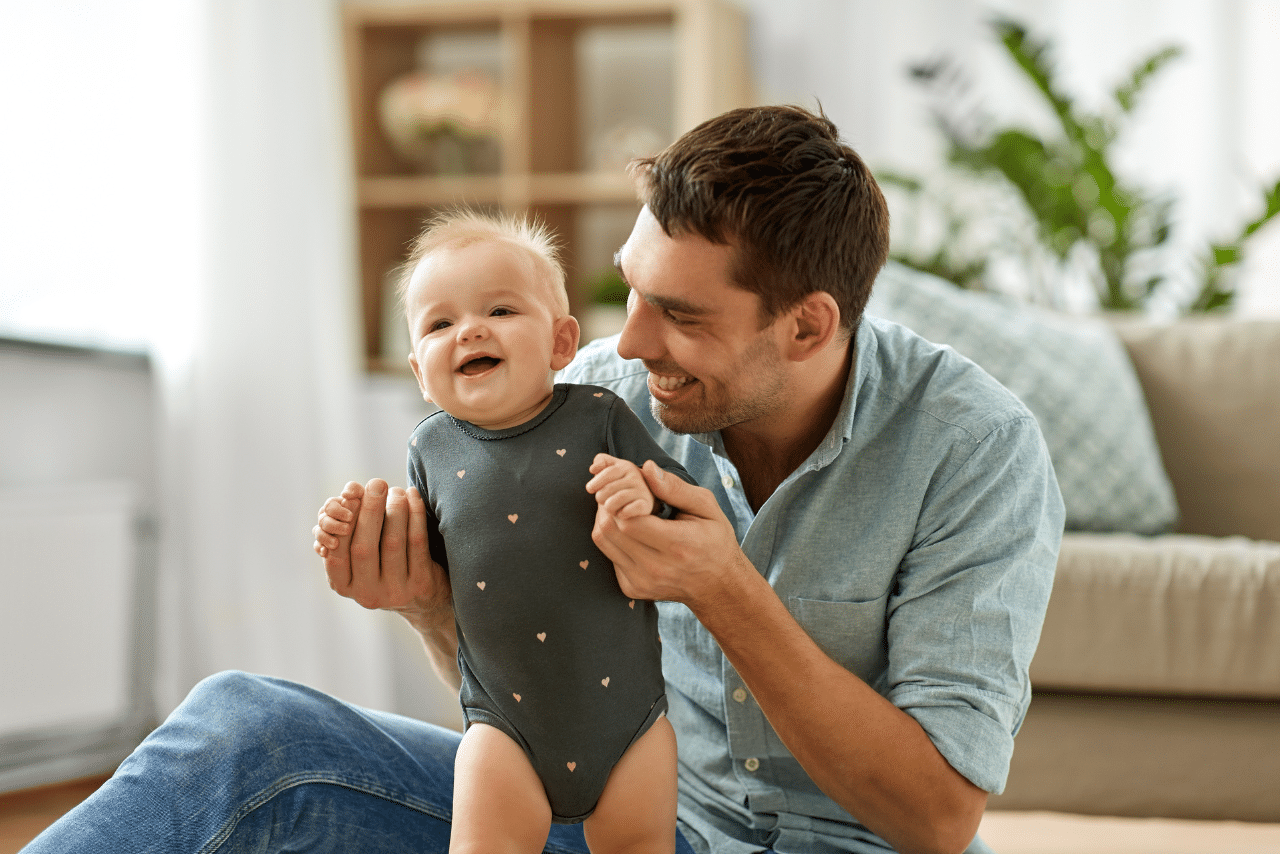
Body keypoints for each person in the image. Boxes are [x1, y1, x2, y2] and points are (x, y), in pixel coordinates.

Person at [22, 105, 1062, 854]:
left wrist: (723, 587)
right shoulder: (594, 395)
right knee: (248, 726)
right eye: (631, 290)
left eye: (683, 315)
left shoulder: (973, 451)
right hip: (624, 823)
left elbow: (937, 817)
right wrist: (437, 603)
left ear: (806, 326)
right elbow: (531, 695)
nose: (626, 339)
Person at [334, 208, 693, 853]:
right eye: (441, 323)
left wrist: (641, 496)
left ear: (561, 344)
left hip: (629, 720)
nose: (470, 330)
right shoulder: (430, 448)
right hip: (503, 720)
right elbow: (435, 569)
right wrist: (375, 540)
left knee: (640, 845)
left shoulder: (598, 415)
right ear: (420, 372)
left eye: (500, 311)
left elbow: (677, 506)